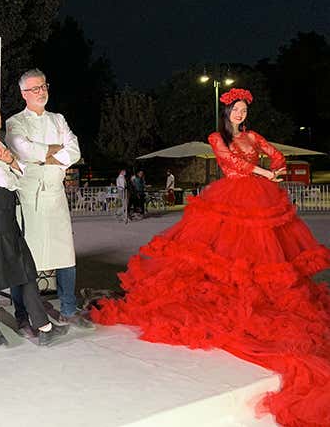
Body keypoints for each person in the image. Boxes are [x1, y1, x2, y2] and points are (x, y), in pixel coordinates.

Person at [91, 88, 330, 427]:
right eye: (235, 109)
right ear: (226, 111)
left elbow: (276, 155)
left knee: (259, 254)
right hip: (231, 193)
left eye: (244, 109)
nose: (240, 114)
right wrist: (265, 173)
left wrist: (278, 169)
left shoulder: (254, 136)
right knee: (222, 254)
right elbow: (233, 163)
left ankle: (255, 297)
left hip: (259, 197)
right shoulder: (217, 137)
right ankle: (233, 297)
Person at [0, 98, 69, 347]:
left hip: (6, 211)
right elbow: (5, 180)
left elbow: (20, 173)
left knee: (24, 267)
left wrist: (12, 164)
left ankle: (43, 326)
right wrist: (12, 167)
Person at [5, 68, 93, 332]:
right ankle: (23, 313)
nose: (40, 92)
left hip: (55, 193)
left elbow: (74, 150)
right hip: (29, 195)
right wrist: (54, 152)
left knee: (65, 253)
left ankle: (68, 308)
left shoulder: (58, 119)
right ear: (23, 93)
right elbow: (23, 150)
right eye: (34, 88)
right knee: (26, 257)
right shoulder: (15, 122)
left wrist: (43, 157)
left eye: (43, 86)